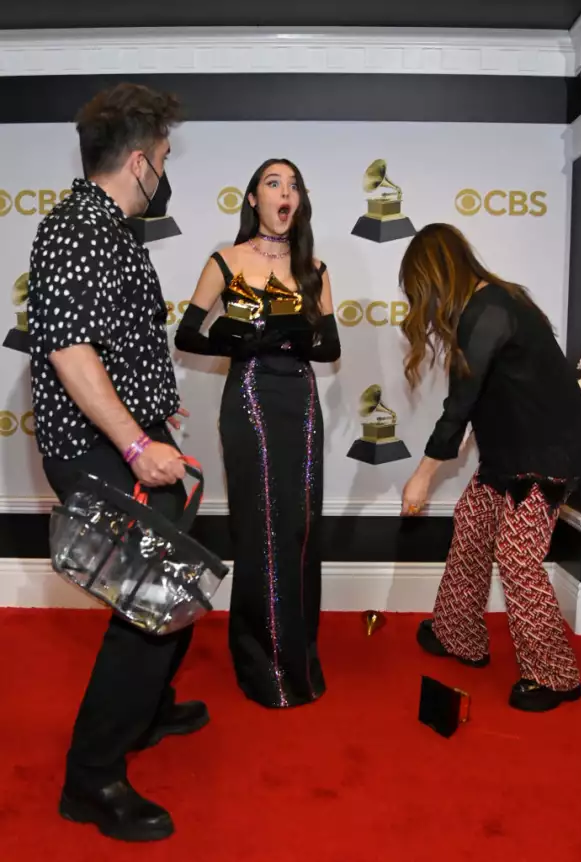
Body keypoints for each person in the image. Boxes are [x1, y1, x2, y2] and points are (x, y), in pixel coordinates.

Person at [28, 83, 209, 842]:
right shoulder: (76, 228)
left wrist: (154, 410)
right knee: (155, 604)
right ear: (138, 162)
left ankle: (146, 712)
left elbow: (111, 342)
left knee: (181, 580)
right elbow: (70, 352)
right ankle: (92, 778)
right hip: (102, 453)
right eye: (163, 157)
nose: (165, 171)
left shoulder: (106, 228)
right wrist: (137, 444)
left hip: (128, 441)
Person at [398, 223, 581, 713]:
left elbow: (460, 403)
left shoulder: (488, 310)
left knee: (516, 555)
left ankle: (555, 675)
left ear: (435, 278)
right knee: (471, 528)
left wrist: (422, 475)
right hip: (511, 453)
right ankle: (458, 635)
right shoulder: (493, 303)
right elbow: (484, 396)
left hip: (546, 455)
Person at [175, 158, 340, 708]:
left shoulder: (313, 267)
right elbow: (188, 335)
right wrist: (240, 340)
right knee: (263, 523)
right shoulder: (226, 260)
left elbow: (331, 348)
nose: (285, 192)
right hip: (248, 396)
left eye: (294, 183)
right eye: (274, 183)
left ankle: (299, 658)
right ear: (252, 199)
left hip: (300, 399)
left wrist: (293, 336)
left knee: (301, 526)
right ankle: (260, 662)